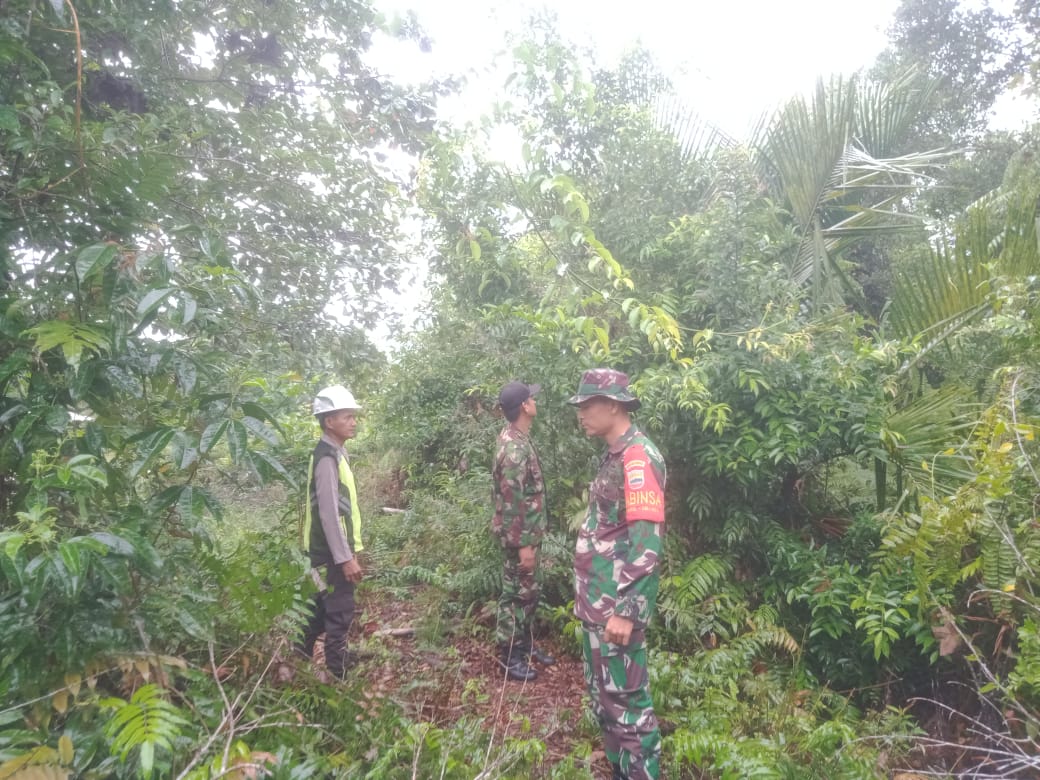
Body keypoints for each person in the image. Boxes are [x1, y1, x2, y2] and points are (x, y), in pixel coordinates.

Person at [568, 368, 666, 780]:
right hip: (598, 605)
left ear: (612, 405)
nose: (581, 414)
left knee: (628, 707)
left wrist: (627, 610)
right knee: (605, 702)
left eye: (588, 405)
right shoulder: (614, 455)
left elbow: (647, 541)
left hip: (616, 610)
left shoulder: (639, 458)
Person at [296, 384, 365, 679]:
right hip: (330, 556)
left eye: (353, 416)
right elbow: (328, 513)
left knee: (318, 612)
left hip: (327, 553)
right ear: (329, 422)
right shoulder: (326, 458)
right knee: (339, 613)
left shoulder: (335, 452)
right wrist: (345, 557)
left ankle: (296, 662)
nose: (353, 422)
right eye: (347, 416)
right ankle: (338, 677)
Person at [491, 380, 556, 681]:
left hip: (527, 535)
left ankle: (524, 645)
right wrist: (522, 546)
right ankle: (509, 655)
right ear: (524, 407)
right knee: (516, 595)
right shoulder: (514, 448)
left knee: (529, 593)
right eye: (532, 398)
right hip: (521, 538)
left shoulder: (518, 438)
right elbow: (512, 499)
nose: (535, 401)